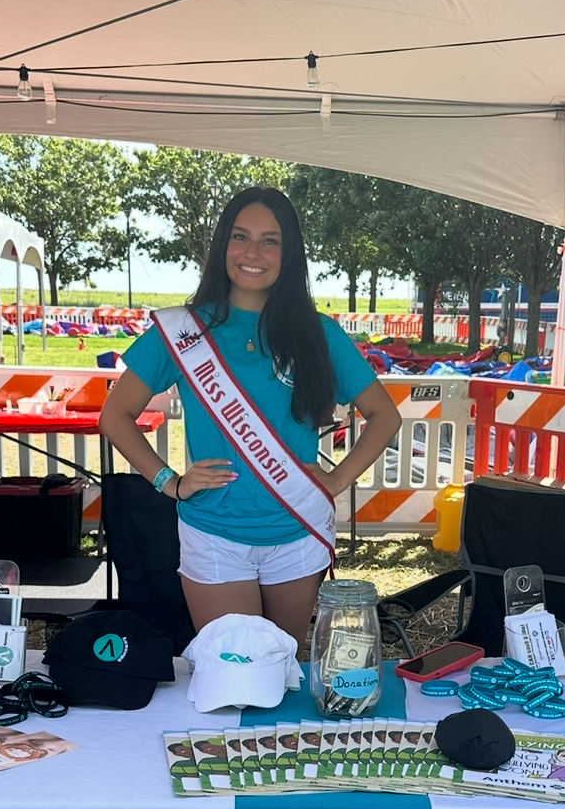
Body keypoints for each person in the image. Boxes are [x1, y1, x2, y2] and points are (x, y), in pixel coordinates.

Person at [101, 187, 401, 640]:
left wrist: (337, 480)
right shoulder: (184, 330)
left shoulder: (318, 333)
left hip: (296, 529)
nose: (253, 253)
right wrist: (170, 482)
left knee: (281, 665)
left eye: (270, 241)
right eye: (240, 236)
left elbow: (385, 416)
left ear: (289, 253)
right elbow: (114, 415)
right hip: (214, 532)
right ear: (223, 244)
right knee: (232, 669)